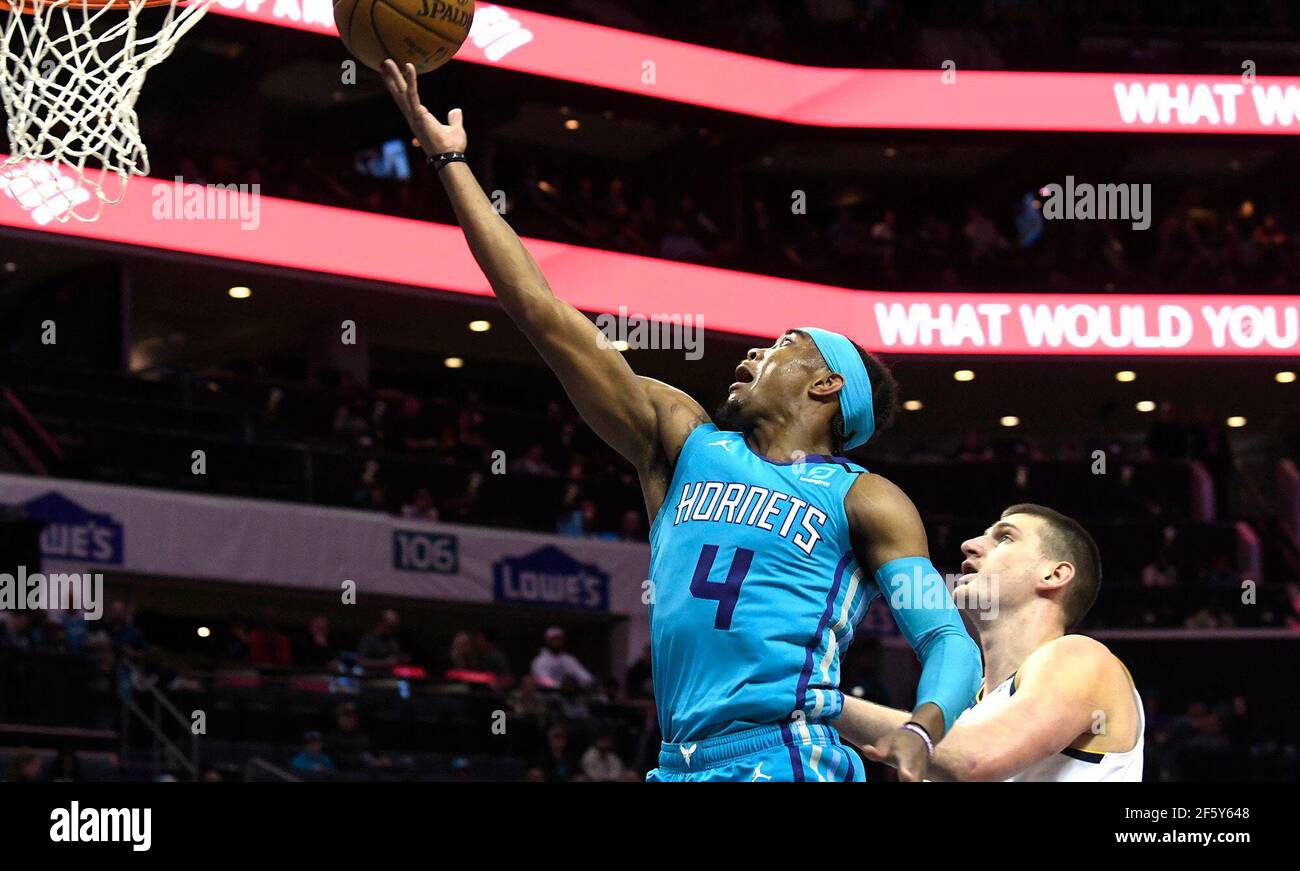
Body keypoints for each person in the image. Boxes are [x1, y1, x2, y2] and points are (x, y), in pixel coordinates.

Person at [381, 61, 981, 782]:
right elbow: (544, 315)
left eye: (786, 343)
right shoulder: (681, 439)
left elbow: (946, 634)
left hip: (786, 753)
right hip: (679, 760)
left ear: (826, 385)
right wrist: (449, 161)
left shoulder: (864, 498)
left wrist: (923, 726)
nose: (758, 348)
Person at [834, 504, 1144, 782]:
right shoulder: (963, 716)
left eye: (1005, 538)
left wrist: (816, 702)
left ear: (1054, 574)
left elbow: (975, 760)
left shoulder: (1081, 656)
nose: (969, 546)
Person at [530, 627, 594, 690]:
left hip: (571, 693)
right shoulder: (540, 660)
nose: (557, 642)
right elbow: (542, 680)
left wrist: (589, 681)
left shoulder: (568, 659)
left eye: (559, 639)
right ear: (547, 641)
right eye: (554, 639)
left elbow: (582, 674)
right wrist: (560, 686)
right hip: (547, 694)